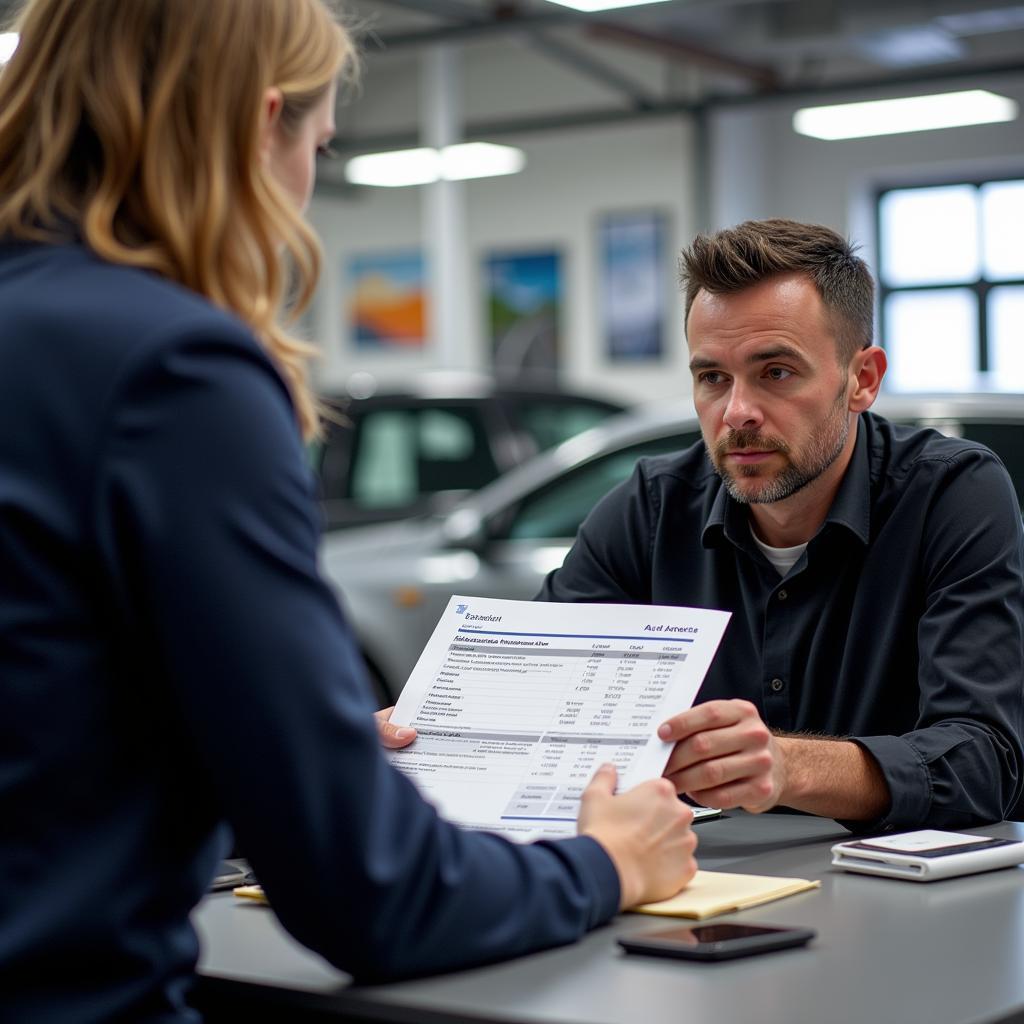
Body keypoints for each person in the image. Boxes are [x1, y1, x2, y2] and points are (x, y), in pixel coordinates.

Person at [0, 2, 697, 1020]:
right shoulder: (177, 369)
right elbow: (375, 896)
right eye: (318, 147)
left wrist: (276, 742)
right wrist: (603, 863)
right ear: (259, 123)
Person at [539, 218, 1024, 830]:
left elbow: (987, 761)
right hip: (699, 891)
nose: (736, 412)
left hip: (894, 900)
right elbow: (538, 702)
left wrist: (789, 766)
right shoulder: (652, 506)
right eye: (712, 377)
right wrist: (415, 737)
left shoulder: (950, 495)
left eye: (776, 373)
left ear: (862, 380)